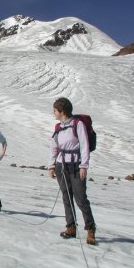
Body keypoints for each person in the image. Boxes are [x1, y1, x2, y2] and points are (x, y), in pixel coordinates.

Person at [48, 97, 96, 245]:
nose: (54, 113)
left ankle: (90, 228)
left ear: (62, 111)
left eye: (55, 110)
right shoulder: (58, 127)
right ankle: (71, 227)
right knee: (66, 196)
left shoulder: (78, 124)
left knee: (81, 198)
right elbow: (53, 146)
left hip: (76, 165)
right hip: (61, 165)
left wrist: (84, 166)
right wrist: (51, 165)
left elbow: (84, 145)